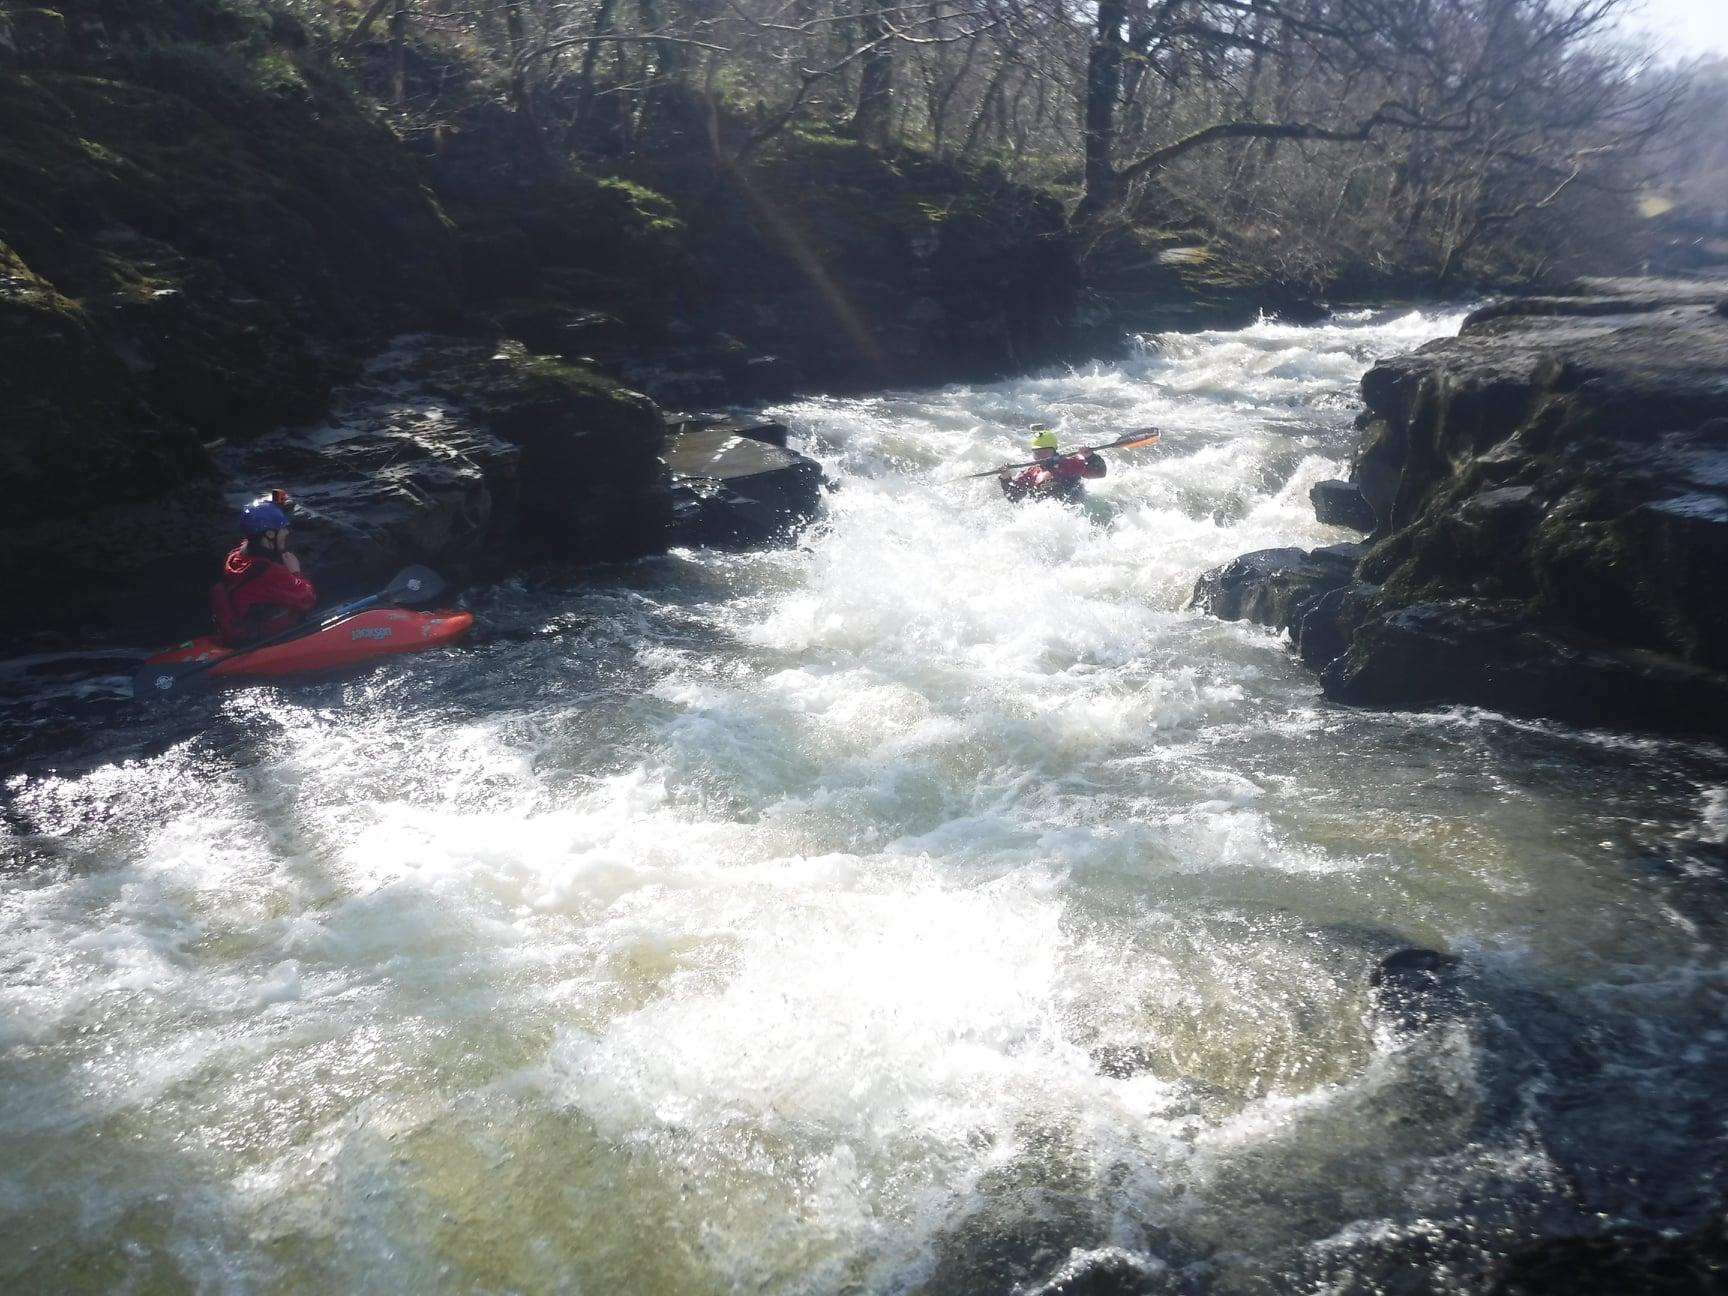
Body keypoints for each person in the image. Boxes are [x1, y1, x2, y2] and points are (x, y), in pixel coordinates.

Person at [212, 492, 317, 646]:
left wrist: (278, 497)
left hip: (240, 627)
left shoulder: (234, 556)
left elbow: (252, 523)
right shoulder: (271, 572)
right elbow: (307, 598)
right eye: (282, 528)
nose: (287, 532)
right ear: (269, 534)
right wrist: (296, 572)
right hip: (267, 636)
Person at [1000, 424, 1107, 503]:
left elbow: (1100, 473)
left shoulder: (1071, 463)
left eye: (1045, 452)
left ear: (1054, 450)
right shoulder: (1031, 473)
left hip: (1076, 511)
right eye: (1037, 453)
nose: (1041, 456)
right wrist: (1006, 478)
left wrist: (1091, 457)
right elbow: (1013, 497)